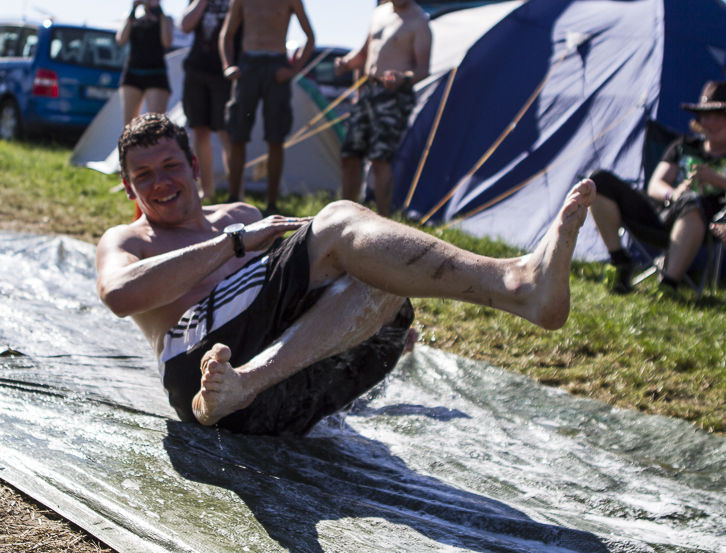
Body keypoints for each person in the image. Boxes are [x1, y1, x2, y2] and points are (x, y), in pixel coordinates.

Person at [96, 113, 596, 437]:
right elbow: (119, 295)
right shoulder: (131, 240)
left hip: (267, 405)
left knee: (378, 282)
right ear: (127, 188)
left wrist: (353, 318)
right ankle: (516, 282)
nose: (160, 182)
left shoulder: (240, 213)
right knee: (337, 222)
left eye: (170, 166)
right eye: (144, 175)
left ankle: (243, 385)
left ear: (195, 168)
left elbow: (282, 300)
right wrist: (235, 244)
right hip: (195, 369)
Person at [589, 81, 726, 293]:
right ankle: (620, 260)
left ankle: (669, 286)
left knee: (692, 202)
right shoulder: (683, 145)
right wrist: (674, 193)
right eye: (706, 116)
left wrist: (715, 179)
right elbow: (655, 184)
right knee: (598, 182)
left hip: (700, 223)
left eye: (719, 116)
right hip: (661, 213)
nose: (711, 123)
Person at [334, 0, 432, 218]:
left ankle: (384, 221)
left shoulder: (418, 21)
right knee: (350, 155)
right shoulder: (378, 13)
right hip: (368, 91)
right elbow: (364, 54)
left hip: (394, 96)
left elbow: (423, 69)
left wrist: (402, 78)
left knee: (380, 159)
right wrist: (346, 63)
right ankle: (345, 218)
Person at [219, 0, 315, 216]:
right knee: (237, 133)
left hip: (277, 65)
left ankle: (272, 202)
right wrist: (229, 65)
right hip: (248, 63)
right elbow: (227, 35)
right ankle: (233, 198)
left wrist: (293, 70)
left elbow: (310, 37)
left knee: (276, 136)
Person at [180, 0, 239, 201]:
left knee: (226, 132)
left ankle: (235, 193)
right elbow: (185, 25)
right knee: (199, 132)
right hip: (197, 71)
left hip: (223, 73)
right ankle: (207, 191)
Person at [117, 0, 175, 126]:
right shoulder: (132, 17)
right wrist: (133, 10)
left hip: (156, 74)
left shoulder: (166, 19)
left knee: (156, 126)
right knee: (129, 126)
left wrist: (158, 12)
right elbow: (121, 39)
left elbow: (167, 41)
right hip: (132, 72)